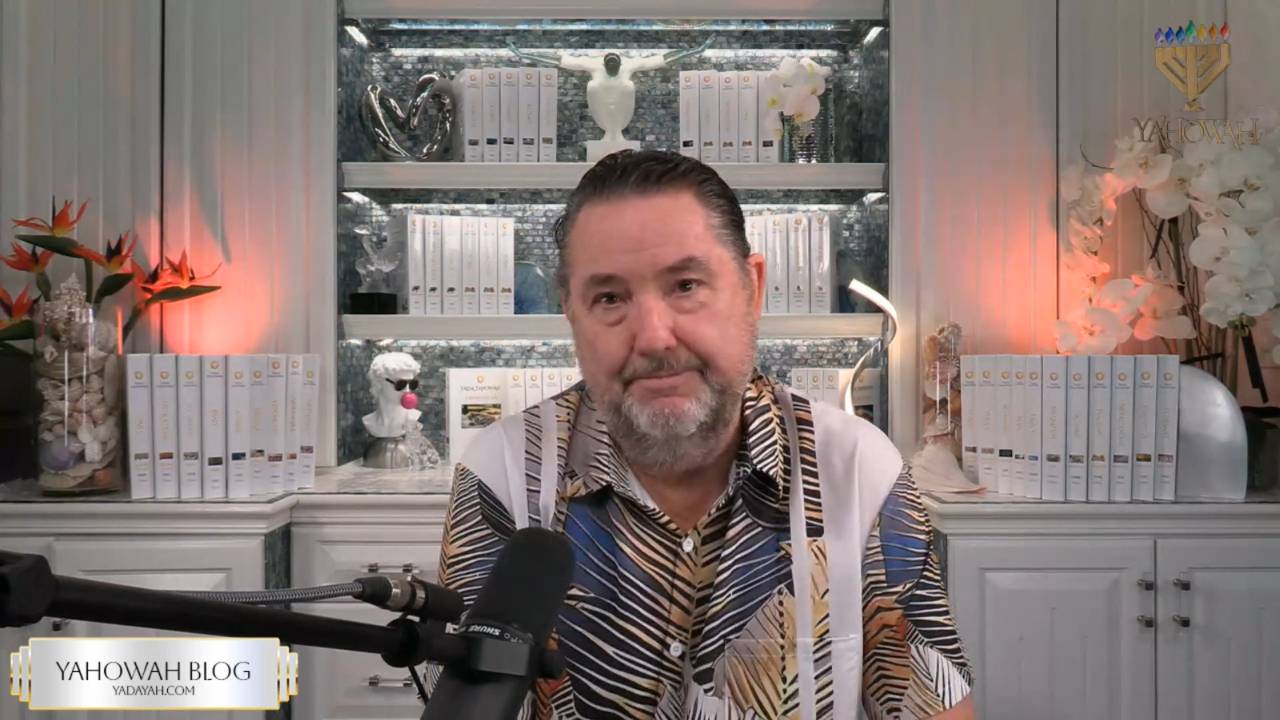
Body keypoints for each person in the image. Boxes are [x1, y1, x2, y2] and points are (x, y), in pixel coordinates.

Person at [435, 150, 975, 719]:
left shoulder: (857, 469)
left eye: (686, 285)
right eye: (610, 298)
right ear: (571, 312)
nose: (654, 337)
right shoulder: (505, 474)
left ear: (752, 287)